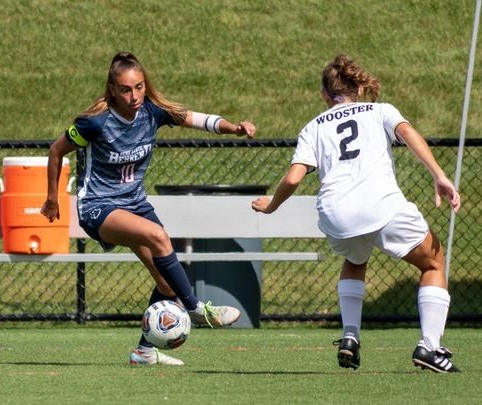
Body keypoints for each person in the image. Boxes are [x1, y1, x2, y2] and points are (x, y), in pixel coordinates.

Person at [41, 51, 256, 366]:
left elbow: (198, 120)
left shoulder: (153, 112)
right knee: (157, 236)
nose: (134, 96)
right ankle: (197, 309)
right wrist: (52, 197)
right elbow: (56, 150)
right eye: (126, 89)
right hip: (97, 207)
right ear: (112, 89)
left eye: (139, 87)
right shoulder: (95, 123)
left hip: (135, 204)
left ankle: (143, 351)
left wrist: (234, 128)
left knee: (166, 282)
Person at [251, 54, 461, 373]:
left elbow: (294, 177)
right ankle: (429, 347)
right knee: (433, 260)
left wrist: (271, 206)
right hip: (380, 205)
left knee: (355, 259)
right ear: (360, 89)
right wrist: (438, 174)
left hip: (336, 215)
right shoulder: (381, 111)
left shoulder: (312, 128)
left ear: (324, 95)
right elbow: (408, 133)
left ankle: (350, 336)